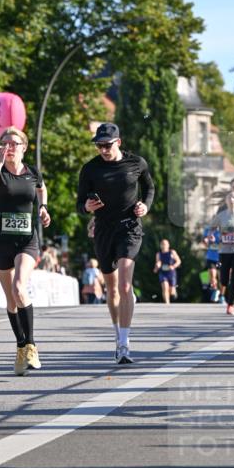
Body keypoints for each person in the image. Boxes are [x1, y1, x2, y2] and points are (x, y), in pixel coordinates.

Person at [76, 122, 154, 364]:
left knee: (124, 285)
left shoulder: (137, 163)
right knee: (111, 288)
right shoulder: (90, 169)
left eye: (107, 145)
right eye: (99, 146)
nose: (103, 150)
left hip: (130, 228)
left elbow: (149, 188)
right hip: (103, 230)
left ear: (118, 142)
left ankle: (124, 343)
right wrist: (86, 207)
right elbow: (79, 204)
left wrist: (145, 206)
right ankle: (116, 331)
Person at [0, 125, 50, 376]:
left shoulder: (32, 173)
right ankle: (20, 345)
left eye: (14, 143)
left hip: (27, 241)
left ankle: (31, 344)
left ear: (24, 147)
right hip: (2, 243)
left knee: (19, 287)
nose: (9, 147)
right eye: (4, 143)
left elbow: (41, 189)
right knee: (11, 300)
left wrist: (43, 208)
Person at [153, 239, 181, 304]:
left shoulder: (172, 252)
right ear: (160, 246)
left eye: (165, 244)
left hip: (171, 273)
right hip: (163, 273)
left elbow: (179, 261)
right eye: (162, 244)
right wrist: (157, 267)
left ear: (168, 245)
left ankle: (174, 292)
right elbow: (158, 262)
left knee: (172, 292)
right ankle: (167, 304)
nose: (163, 246)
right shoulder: (158, 254)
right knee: (165, 287)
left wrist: (173, 266)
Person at [202, 224, 222, 302]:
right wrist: (206, 241)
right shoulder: (208, 230)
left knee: (222, 279)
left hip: (221, 257)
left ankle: (221, 296)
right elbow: (204, 242)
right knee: (212, 275)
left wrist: (217, 242)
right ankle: (215, 290)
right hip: (210, 257)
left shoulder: (223, 230)